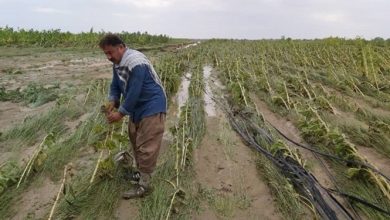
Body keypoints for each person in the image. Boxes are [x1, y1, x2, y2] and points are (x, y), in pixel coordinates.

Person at [99, 34, 166, 199]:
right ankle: (141, 173)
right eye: (105, 53)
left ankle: (145, 186)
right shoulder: (118, 62)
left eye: (110, 52)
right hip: (137, 107)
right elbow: (115, 85)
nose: (108, 57)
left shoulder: (136, 62)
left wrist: (120, 113)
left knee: (146, 146)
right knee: (135, 139)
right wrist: (112, 101)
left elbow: (134, 91)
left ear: (121, 47)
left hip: (152, 104)